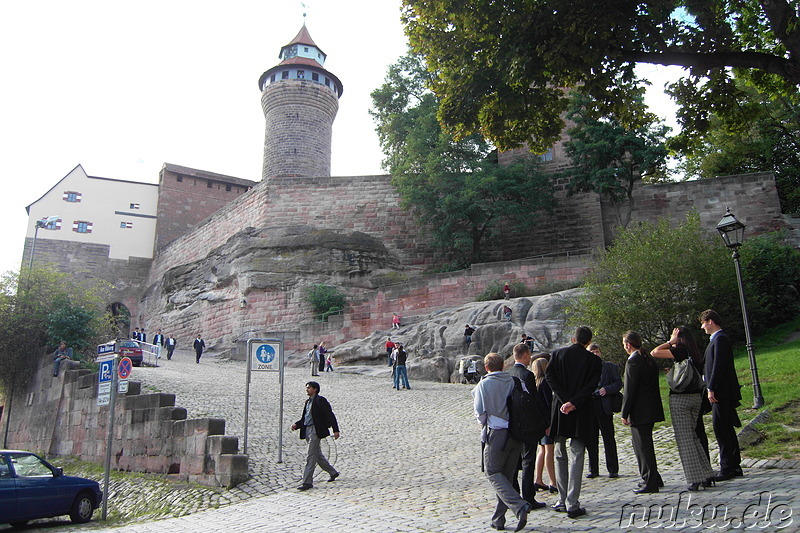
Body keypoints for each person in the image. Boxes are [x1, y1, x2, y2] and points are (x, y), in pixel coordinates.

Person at [544, 325, 601, 519]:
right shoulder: (594, 360)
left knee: (559, 452)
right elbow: (591, 386)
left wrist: (564, 399)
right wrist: (574, 402)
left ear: (573, 339)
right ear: (587, 342)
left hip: (560, 409)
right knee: (577, 454)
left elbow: (549, 377)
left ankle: (561, 499)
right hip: (581, 409)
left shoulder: (558, 354)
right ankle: (572, 502)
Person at [472, 353, 531, 532]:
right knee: (505, 477)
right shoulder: (515, 381)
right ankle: (499, 519)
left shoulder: (483, 384)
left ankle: (519, 505)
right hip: (517, 433)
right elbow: (527, 403)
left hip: (497, 433)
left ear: (486, 367)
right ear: (503, 366)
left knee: (493, 472)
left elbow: (480, 414)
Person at [651, 326, 715, 491]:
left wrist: (670, 342)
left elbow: (655, 352)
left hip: (681, 399)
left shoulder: (680, 350)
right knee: (694, 436)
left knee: (685, 439)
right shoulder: (694, 352)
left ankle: (695, 478)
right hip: (696, 398)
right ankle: (707, 473)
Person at [699, 309, 743, 482]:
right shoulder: (716, 340)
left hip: (720, 392)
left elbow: (718, 366)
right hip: (720, 390)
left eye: (703, 323)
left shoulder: (721, 339)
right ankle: (734, 465)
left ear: (710, 321)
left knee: (721, 427)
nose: (702, 327)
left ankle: (727, 467)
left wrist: (711, 387)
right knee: (726, 427)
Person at [620, 330, 664, 494]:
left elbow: (630, 390)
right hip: (650, 408)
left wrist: (624, 412)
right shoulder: (647, 359)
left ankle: (650, 480)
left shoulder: (633, 362)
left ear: (628, 345)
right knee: (646, 445)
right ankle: (654, 477)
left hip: (640, 411)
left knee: (642, 448)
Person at [507, 344, 547, 510]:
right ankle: (528, 497)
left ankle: (515, 494)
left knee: (515, 461)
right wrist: (542, 423)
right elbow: (533, 402)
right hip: (528, 424)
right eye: (529, 354)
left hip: (513, 424)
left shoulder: (509, 373)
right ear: (525, 355)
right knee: (528, 461)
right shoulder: (527, 375)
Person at [291, 381, 340, 491]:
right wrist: (297, 425)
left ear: (315, 389)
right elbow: (305, 418)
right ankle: (333, 472)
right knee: (317, 455)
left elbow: (330, 414)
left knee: (311, 456)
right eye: (307, 388)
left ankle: (307, 482)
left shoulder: (320, 400)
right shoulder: (307, 402)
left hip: (315, 430)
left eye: (309, 388)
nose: (307, 390)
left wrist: (335, 430)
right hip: (307, 430)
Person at [585, 344, 622, 479]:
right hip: (590, 406)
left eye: (597, 352)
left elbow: (618, 383)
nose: (595, 354)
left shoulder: (610, 367)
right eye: (592, 352)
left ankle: (613, 469)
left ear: (600, 353)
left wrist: (607, 389)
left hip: (604, 404)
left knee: (608, 438)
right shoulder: (584, 369)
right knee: (591, 439)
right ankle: (593, 469)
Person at [531, 356, 557, 494]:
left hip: (538, 423)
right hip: (546, 422)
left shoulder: (534, 383)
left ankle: (538, 479)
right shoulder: (545, 383)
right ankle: (553, 481)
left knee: (542, 450)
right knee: (549, 451)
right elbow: (548, 405)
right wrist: (549, 423)